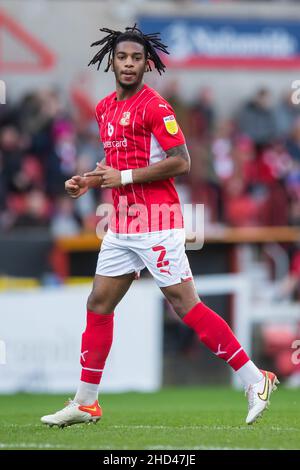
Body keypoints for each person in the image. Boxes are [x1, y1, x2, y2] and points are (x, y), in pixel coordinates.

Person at [41, 25, 278, 428]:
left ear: (147, 63)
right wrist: (90, 179)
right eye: (122, 58)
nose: (129, 64)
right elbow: (115, 167)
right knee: (98, 303)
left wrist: (126, 179)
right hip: (120, 224)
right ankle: (85, 402)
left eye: (136, 58)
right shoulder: (104, 109)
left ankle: (257, 379)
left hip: (157, 221)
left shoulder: (156, 107)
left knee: (186, 305)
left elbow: (182, 161)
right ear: (111, 62)